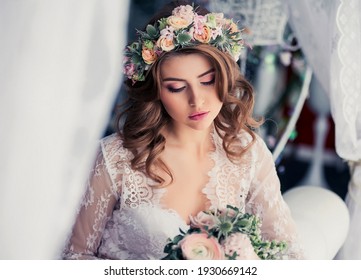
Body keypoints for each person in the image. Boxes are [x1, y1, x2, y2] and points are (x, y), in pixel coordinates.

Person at [62, 0, 304, 260]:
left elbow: (289, 255)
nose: (197, 100)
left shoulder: (248, 152)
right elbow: (74, 257)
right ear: (156, 91)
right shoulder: (115, 159)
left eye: (208, 81)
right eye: (177, 87)